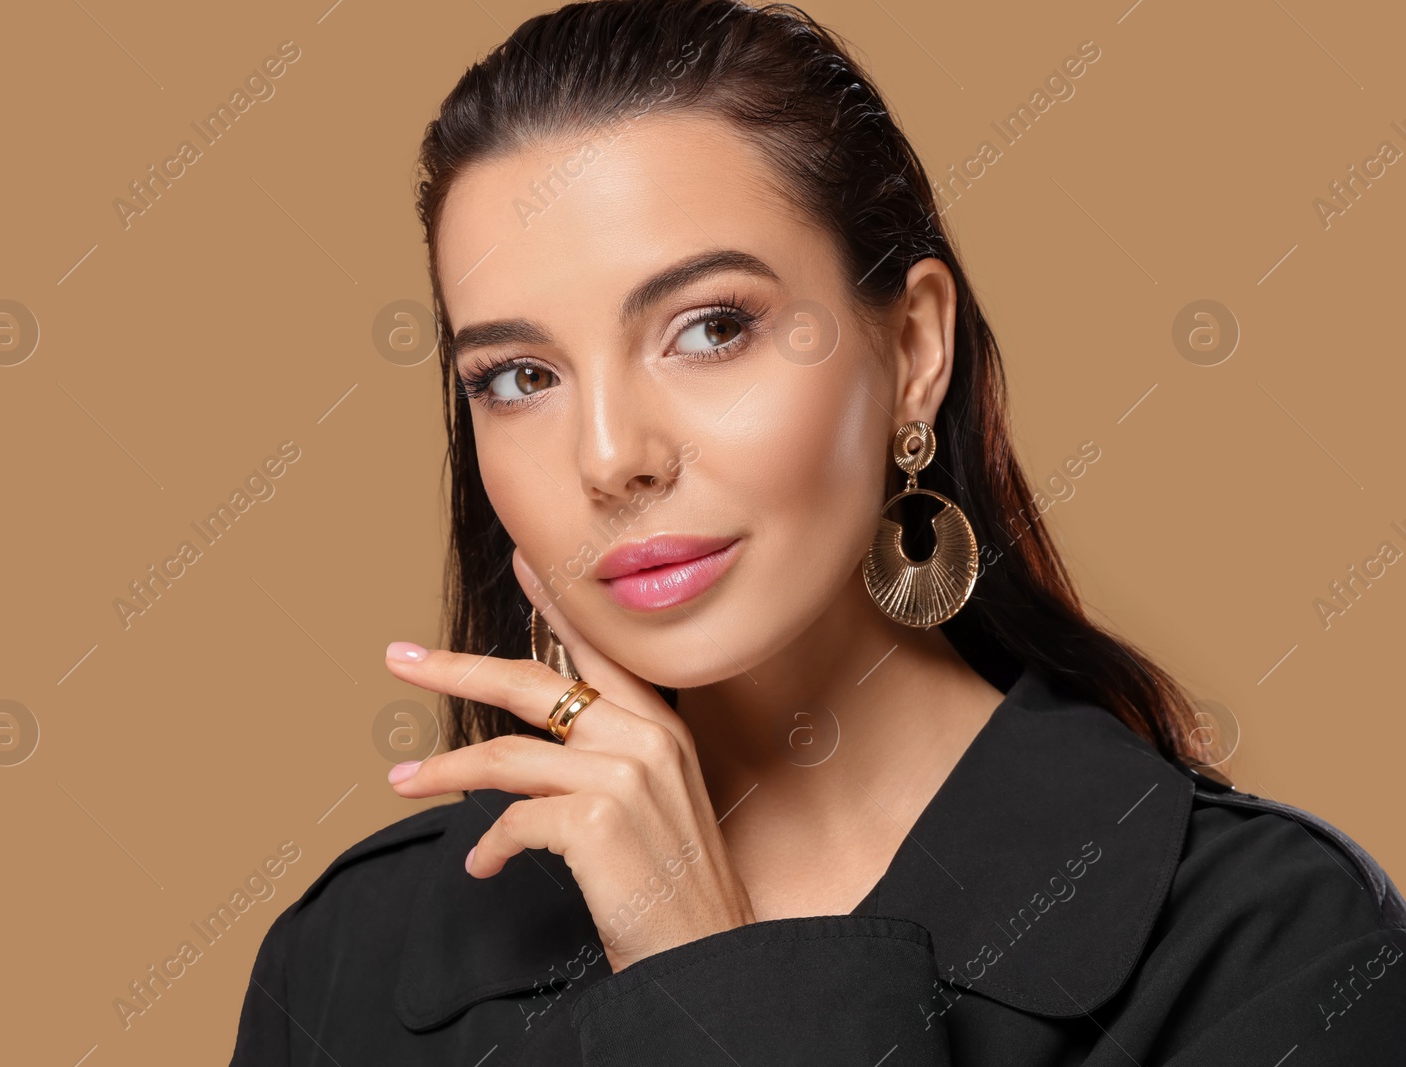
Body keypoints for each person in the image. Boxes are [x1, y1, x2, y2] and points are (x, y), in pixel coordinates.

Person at [228, 1, 1406, 1062]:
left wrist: (706, 970)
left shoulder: (1266, 940)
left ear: (912, 351)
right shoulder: (350, 960)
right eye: (519, 373)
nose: (608, 456)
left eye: (708, 329)